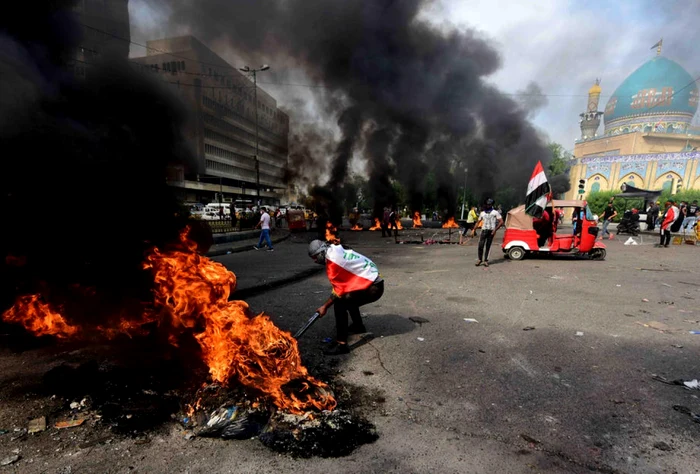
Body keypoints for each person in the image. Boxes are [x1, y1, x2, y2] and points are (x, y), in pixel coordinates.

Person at [308, 239, 384, 355]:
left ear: (322, 252)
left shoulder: (333, 263)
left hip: (374, 288)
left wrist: (325, 307)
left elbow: (338, 292)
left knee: (340, 304)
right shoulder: (334, 249)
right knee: (349, 296)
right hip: (374, 281)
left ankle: (342, 345)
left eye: (315, 257)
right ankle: (358, 326)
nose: (315, 261)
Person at [471, 199, 503, 267]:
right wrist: (474, 229)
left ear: (491, 205)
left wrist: (495, 230)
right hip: (484, 230)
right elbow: (478, 222)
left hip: (491, 231)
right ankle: (480, 259)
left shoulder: (495, 212)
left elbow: (501, 222)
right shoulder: (482, 213)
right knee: (480, 246)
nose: (488, 205)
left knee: (488, 246)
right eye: (487, 204)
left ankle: (486, 260)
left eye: (489, 204)